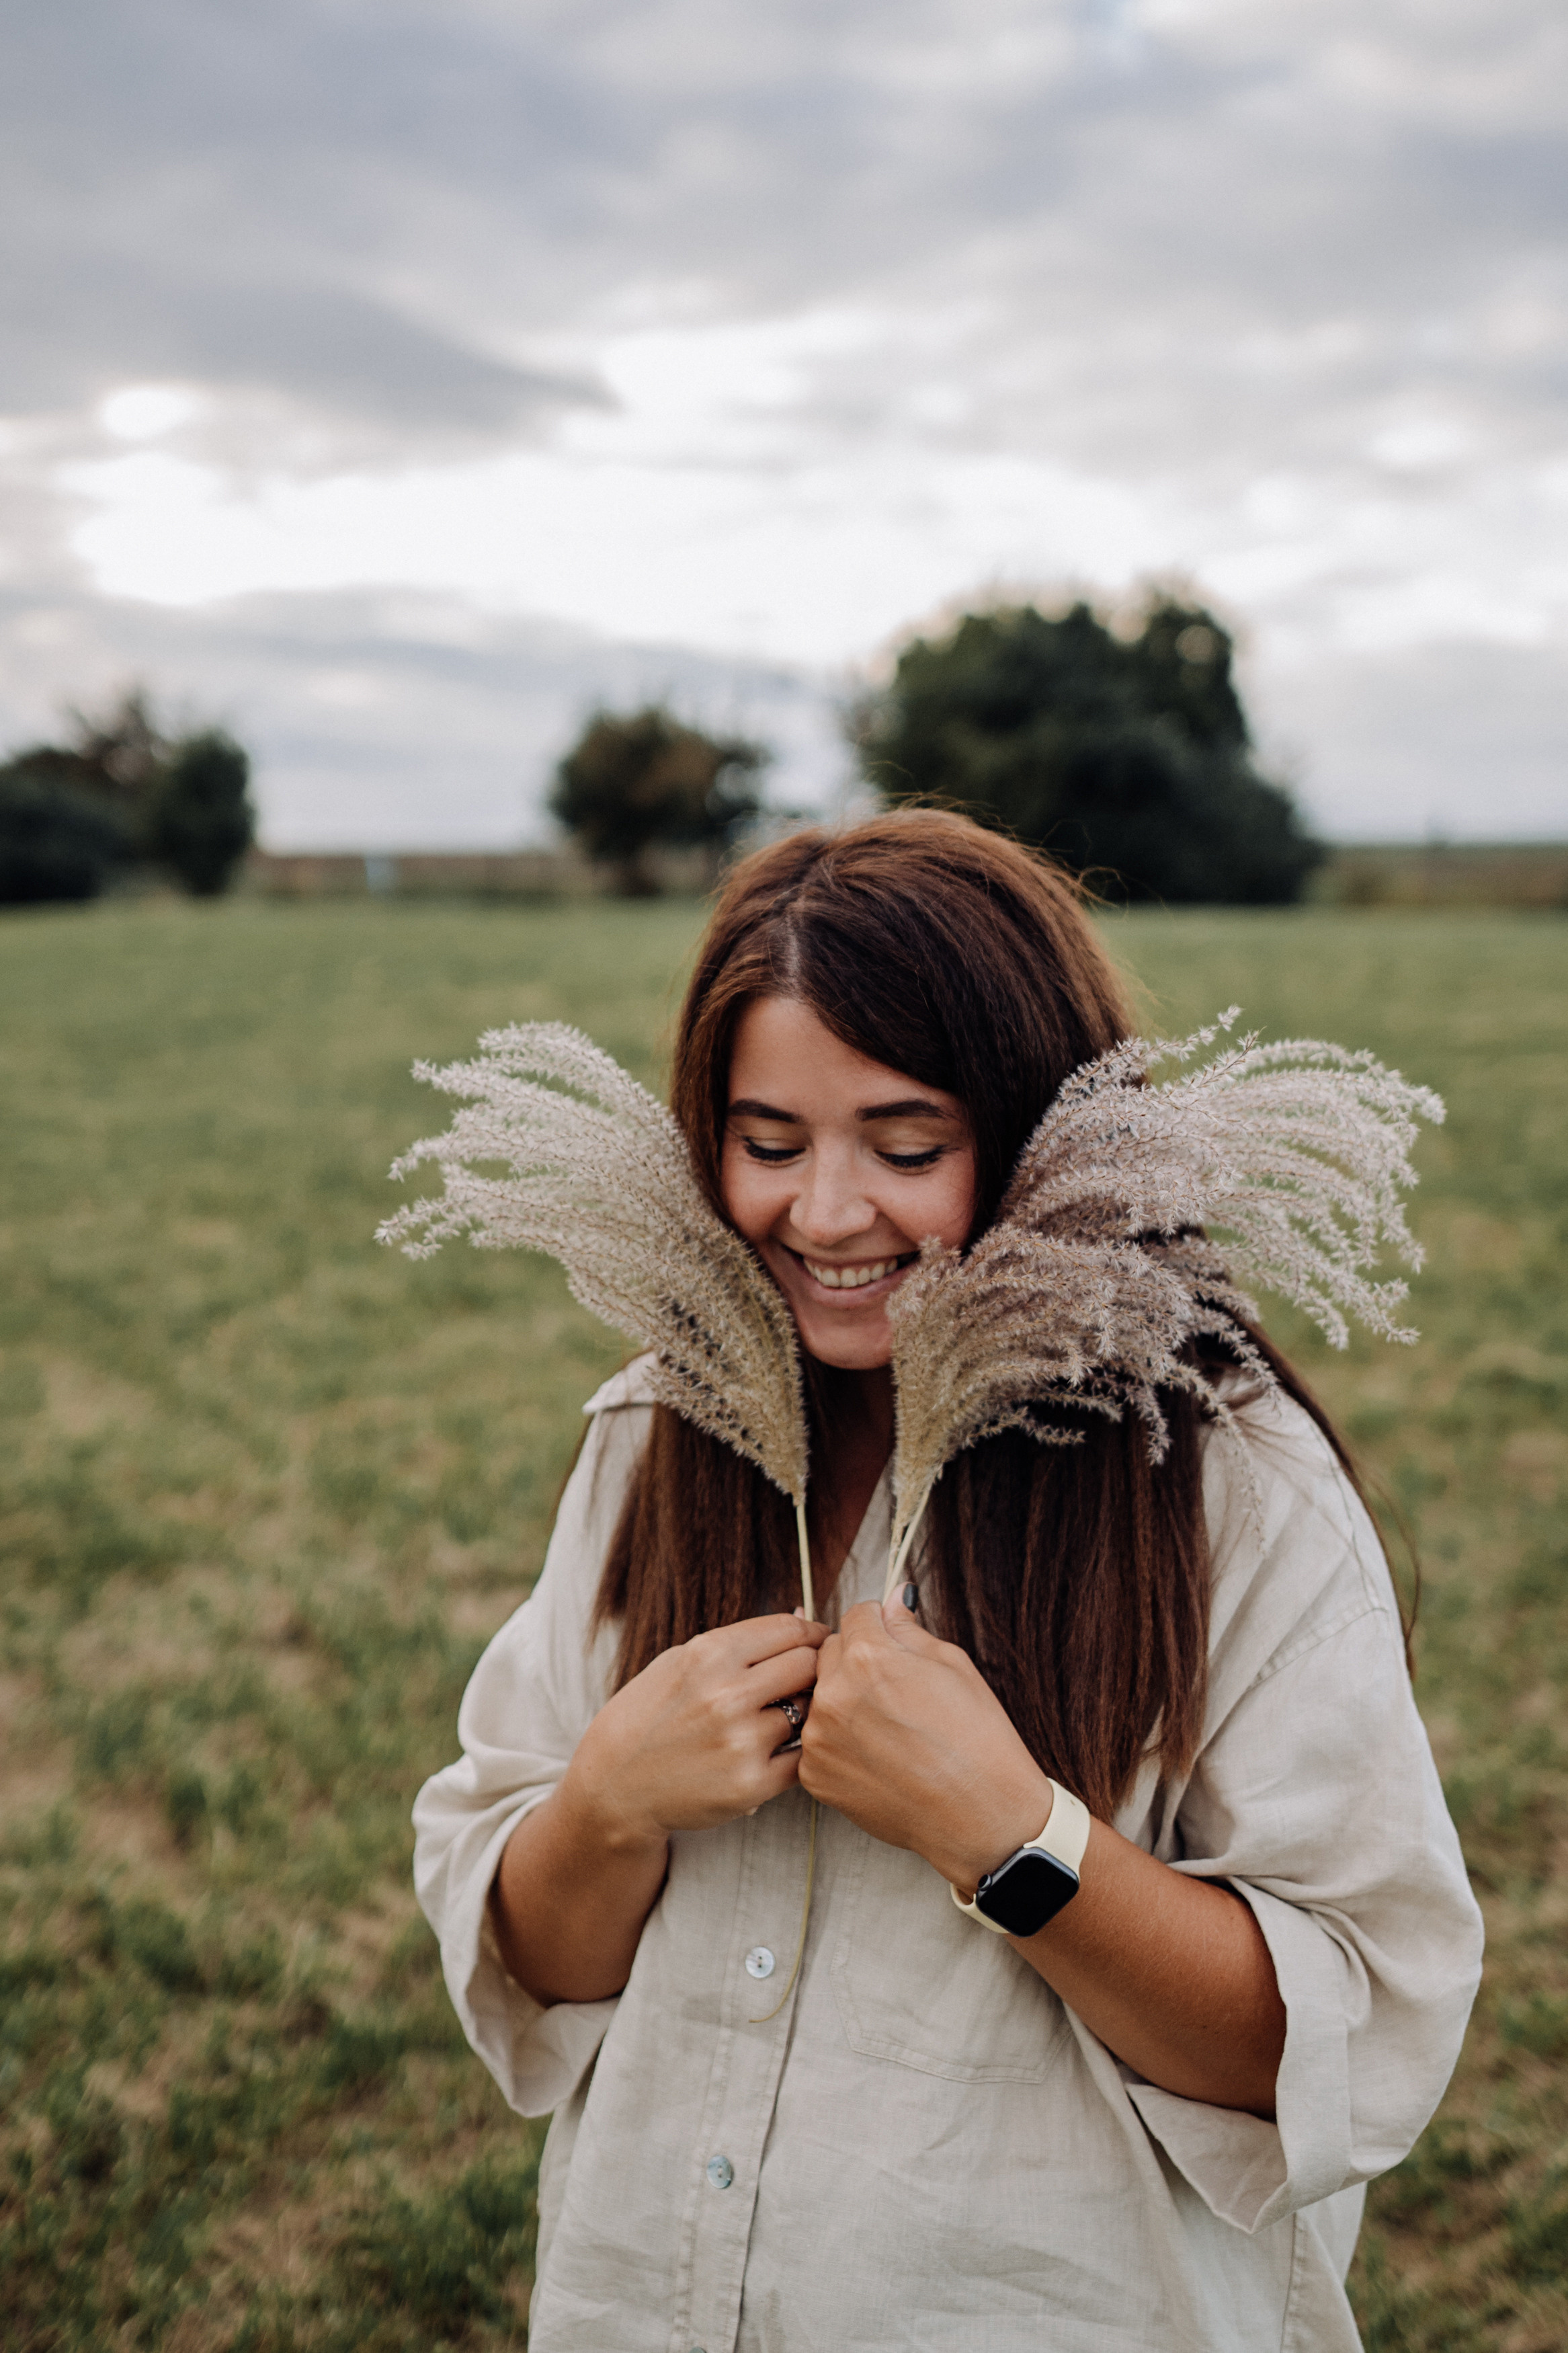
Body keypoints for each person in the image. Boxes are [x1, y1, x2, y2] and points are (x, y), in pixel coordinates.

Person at [412, 813, 1481, 2352]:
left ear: (1045, 1129)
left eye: (908, 1146)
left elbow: (1350, 2035)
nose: (827, 1213)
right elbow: (534, 1967)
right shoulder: (664, 1430)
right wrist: (605, 1803)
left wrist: (1017, 1838)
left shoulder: (1221, 1482)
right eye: (767, 1141)